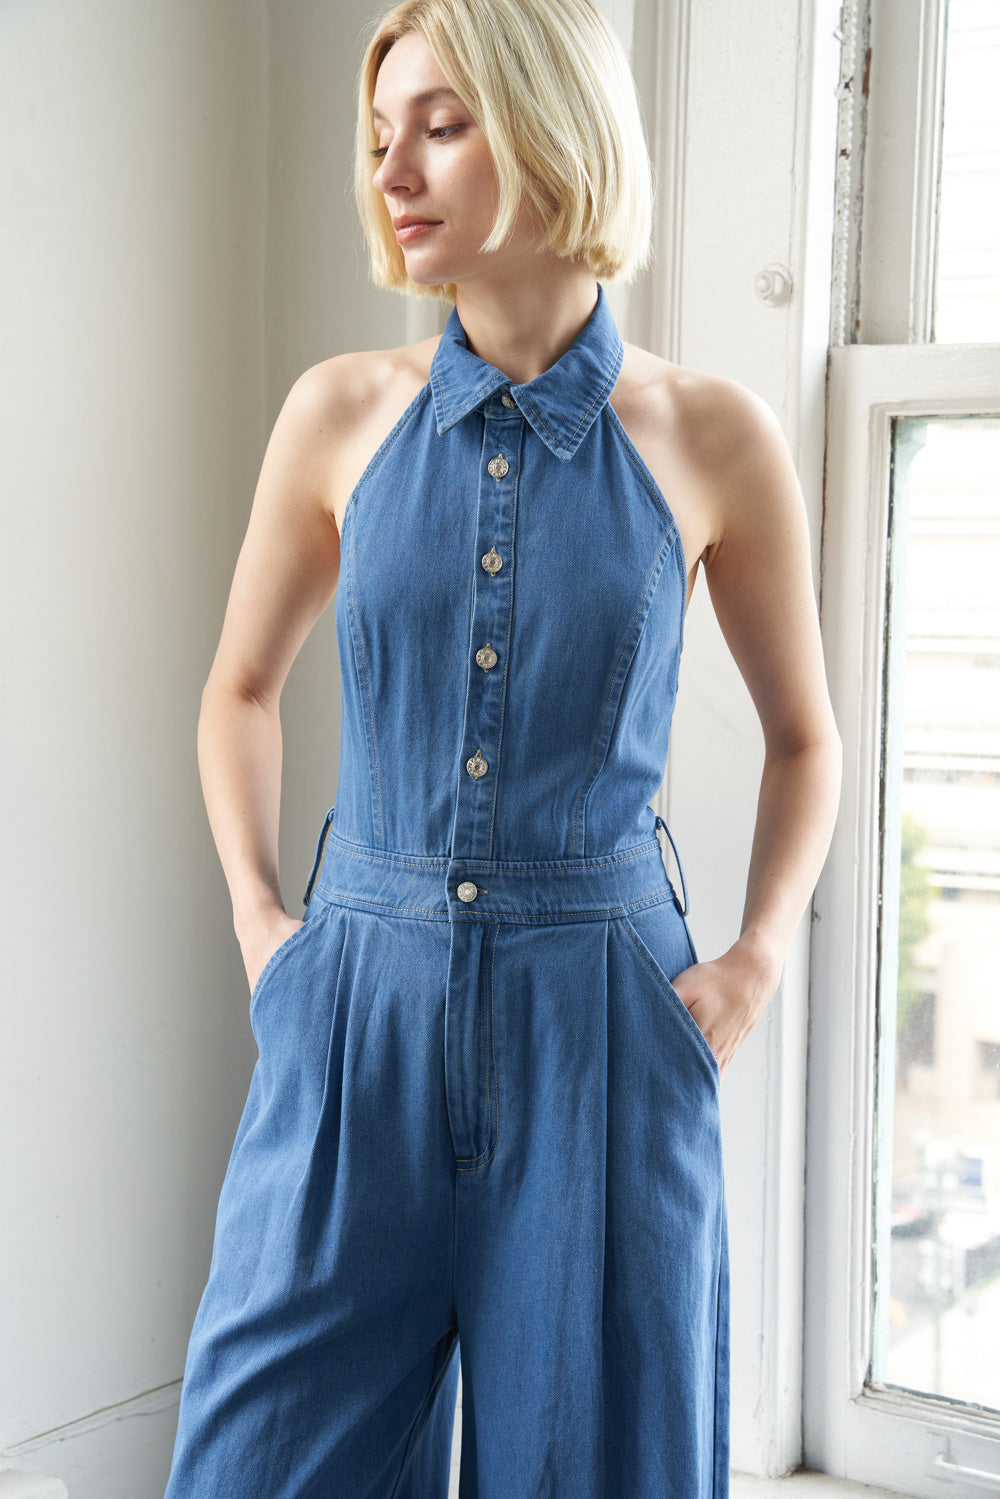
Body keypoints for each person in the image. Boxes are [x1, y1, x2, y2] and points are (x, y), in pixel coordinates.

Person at [163, 0, 842, 1495]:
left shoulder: (711, 433)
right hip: (355, 1009)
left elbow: (807, 739)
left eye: (443, 126)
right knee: (255, 1461)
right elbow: (238, 690)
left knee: (596, 1466)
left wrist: (757, 959)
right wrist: (267, 928)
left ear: (553, 129)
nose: (393, 171)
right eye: (380, 135)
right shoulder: (340, 412)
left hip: (601, 1025)